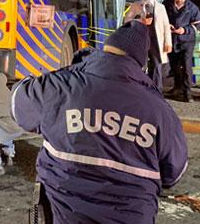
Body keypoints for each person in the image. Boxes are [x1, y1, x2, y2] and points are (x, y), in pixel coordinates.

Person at [12, 21, 187, 223]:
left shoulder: (61, 85)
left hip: (62, 215)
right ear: (141, 63)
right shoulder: (160, 111)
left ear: (107, 47)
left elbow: (18, 105)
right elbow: (173, 173)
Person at [123, 0, 171, 91]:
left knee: (156, 64)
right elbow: (127, 20)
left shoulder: (160, 7)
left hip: (156, 40)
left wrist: (168, 43)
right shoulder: (136, 5)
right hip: (141, 39)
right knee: (140, 63)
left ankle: (156, 89)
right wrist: (141, 21)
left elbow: (166, 26)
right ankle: (139, 87)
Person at [165, 0, 200, 102]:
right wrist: (167, 26)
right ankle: (177, 88)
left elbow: (199, 24)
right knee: (174, 65)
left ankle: (188, 92)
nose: (179, 0)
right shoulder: (166, 5)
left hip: (187, 41)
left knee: (187, 66)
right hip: (172, 39)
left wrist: (185, 30)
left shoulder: (192, 8)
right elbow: (161, 18)